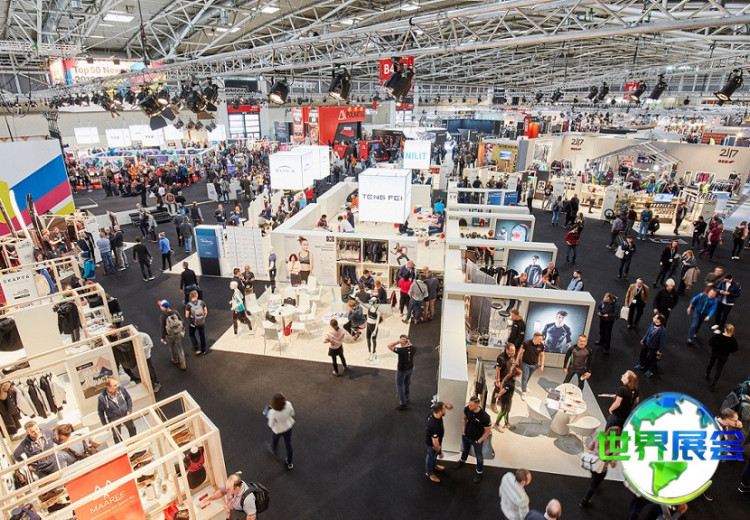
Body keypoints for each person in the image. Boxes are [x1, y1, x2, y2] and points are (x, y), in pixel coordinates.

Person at [579, 427, 622, 508]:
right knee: (594, 485)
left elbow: (590, 447)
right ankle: (585, 501)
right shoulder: (615, 448)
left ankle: (595, 486)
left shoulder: (599, 437)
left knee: (594, 477)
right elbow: (613, 464)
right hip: (601, 469)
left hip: (592, 463)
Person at [455, 396, 491, 484]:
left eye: (471, 405)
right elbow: (464, 418)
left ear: (477, 405)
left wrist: (479, 440)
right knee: (465, 450)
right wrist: (463, 431)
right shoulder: (467, 409)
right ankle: (462, 461)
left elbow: (487, 431)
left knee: (479, 456)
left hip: (477, 440)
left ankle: (479, 472)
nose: (469, 406)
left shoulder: (485, 417)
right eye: (469, 404)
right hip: (466, 436)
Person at [97, 377, 136, 443]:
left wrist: (129, 410)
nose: (117, 386)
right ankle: (121, 449)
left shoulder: (121, 389)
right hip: (113, 419)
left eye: (117, 384)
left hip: (125, 414)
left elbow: (128, 398)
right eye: (115, 385)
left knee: (132, 429)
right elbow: (100, 412)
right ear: (108, 387)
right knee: (117, 436)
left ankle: (134, 444)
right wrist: (105, 424)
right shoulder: (102, 398)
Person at [424, 401, 454, 483]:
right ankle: (429, 473)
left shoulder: (432, 411)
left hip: (435, 441)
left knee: (433, 456)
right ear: (440, 411)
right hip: (432, 445)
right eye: (444, 409)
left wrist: (446, 406)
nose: (445, 410)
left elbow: (438, 405)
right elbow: (435, 443)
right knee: (431, 457)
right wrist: (439, 452)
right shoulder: (434, 426)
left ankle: (434, 466)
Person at [706, 323, 738, 391]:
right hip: (724, 356)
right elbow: (734, 349)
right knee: (719, 370)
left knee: (711, 364)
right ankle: (713, 385)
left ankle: (707, 374)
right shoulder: (733, 340)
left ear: (725, 329)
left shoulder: (718, 336)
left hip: (715, 353)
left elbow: (710, 343)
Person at [267, 393, 295, 470]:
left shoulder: (272, 412)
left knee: (275, 440)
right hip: (288, 427)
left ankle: (274, 450)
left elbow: (270, 424)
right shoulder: (288, 404)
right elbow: (293, 413)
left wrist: (269, 416)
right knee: (288, 444)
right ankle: (289, 463)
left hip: (278, 430)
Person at [388, 334, 417, 410]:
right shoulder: (413, 348)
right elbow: (411, 346)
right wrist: (408, 343)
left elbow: (389, 346)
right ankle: (407, 398)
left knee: (400, 386)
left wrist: (398, 341)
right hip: (410, 369)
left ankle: (403, 403)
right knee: (407, 384)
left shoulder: (401, 350)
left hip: (402, 370)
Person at [635, 314, 667, 378]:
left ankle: (650, 370)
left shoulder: (662, 331)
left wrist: (660, 350)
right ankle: (642, 364)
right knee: (642, 354)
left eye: (655, 317)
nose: (653, 317)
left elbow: (662, 341)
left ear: (659, 320)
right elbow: (647, 332)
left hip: (654, 346)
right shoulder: (652, 324)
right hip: (646, 343)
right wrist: (644, 339)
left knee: (652, 358)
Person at [516, 332, 545, 399]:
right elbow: (520, 352)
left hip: (534, 365)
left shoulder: (541, 345)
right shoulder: (526, 343)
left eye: (541, 339)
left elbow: (542, 355)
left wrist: (542, 365)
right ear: (535, 338)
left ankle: (525, 386)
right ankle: (524, 392)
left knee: (528, 377)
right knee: (525, 377)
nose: (540, 341)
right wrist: (517, 360)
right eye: (539, 339)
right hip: (525, 364)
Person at [159, 300, 186, 370]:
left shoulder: (163, 316)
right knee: (180, 348)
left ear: (164, 307)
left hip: (170, 335)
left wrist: (163, 337)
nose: (160, 307)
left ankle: (174, 359)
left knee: (171, 347)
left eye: (161, 306)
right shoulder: (175, 312)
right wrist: (182, 330)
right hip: (178, 333)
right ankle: (182, 363)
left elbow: (163, 328)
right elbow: (182, 321)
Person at [493, 367, 521, 432]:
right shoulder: (510, 382)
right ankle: (496, 424)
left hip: (508, 398)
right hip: (505, 399)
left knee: (507, 410)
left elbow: (503, 383)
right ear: (517, 375)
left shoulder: (510, 378)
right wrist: (498, 395)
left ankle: (506, 423)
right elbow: (504, 390)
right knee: (503, 411)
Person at [137, 327, 161, 393]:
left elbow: (150, 344)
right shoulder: (133, 338)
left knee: (150, 370)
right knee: (145, 370)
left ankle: (156, 383)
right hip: (139, 357)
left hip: (146, 356)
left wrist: (141, 348)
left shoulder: (144, 336)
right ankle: (150, 383)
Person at [185, 290, 208, 355]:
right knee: (202, 335)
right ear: (197, 295)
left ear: (190, 296)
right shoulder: (201, 302)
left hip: (193, 323)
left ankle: (196, 348)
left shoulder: (188, 305)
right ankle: (203, 350)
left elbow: (186, 316)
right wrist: (203, 317)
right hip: (201, 322)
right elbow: (205, 312)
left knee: (191, 334)